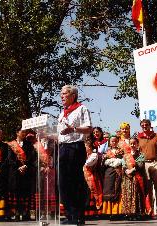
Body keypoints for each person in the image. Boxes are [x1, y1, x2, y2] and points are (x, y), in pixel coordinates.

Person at [57, 85, 92, 225]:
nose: (62, 96)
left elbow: (89, 128)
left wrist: (73, 129)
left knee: (75, 181)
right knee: (63, 183)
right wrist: (45, 135)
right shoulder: (62, 113)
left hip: (75, 147)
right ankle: (69, 215)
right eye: (61, 94)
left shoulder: (82, 108)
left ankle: (78, 215)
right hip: (62, 148)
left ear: (73, 95)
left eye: (64, 94)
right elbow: (59, 134)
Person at [137, 119, 157, 219]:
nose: (145, 126)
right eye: (143, 125)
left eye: (146, 125)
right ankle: (149, 210)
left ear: (150, 125)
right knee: (147, 188)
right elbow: (137, 152)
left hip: (156, 162)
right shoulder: (138, 137)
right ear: (141, 126)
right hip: (144, 163)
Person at [7, 127, 37, 221]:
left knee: (25, 193)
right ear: (17, 132)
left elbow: (32, 157)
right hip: (15, 172)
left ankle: (25, 213)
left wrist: (25, 166)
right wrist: (18, 167)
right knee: (16, 193)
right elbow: (9, 158)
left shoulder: (29, 144)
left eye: (25, 132)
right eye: (22, 132)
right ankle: (16, 213)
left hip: (26, 172)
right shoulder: (11, 144)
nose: (24, 133)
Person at [120, 137, 147, 220]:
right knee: (128, 195)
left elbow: (141, 165)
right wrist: (126, 171)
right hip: (128, 178)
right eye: (131, 143)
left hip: (137, 177)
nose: (132, 145)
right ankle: (129, 213)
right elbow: (124, 165)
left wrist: (132, 170)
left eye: (134, 143)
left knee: (137, 195)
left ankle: (138, 213)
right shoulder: (126, 155)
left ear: (137, 144)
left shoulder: (141, 155)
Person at [102, 135, 123, 220]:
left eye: (115, 141)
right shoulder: (107, 151)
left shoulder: (121, 151)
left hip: (118, 171)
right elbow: (103, 163)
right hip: (109, 172)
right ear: (109, 142)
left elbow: (124, 159)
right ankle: (108, 212)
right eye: (112, 141)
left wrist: (118, 161)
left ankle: (116, 212)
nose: (113, 143)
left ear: (117, 141)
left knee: (117, 189)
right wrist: (107, 160)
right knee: (109, 190)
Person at [83, 138, 102, 218]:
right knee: (85, 194)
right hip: (85, 176)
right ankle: (85, 213)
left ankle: (93, 213)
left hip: (91, 176)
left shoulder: (94, 155)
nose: (84, 149)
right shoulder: (87, 155)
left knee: (92, 193)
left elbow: (87, 164)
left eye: (85, 147)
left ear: (89, 147)